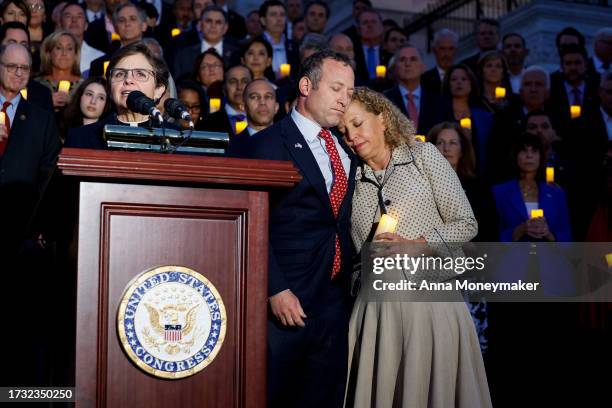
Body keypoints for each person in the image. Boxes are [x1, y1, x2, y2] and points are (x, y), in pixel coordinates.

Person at [340, 87, 491, 407]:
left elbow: (466, 224)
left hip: (431, 306)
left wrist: (418, 246)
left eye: (357, 123)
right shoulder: (352, 180)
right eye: (344, 131)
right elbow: (354, 260)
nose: (352, 136)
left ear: (381, 119)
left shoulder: (423, 155)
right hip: (378, 314)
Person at [228, 50, 356, 408]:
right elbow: (250, 221)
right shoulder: (264, 146)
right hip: (285, 302)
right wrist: (275, 288)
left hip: (336, 301)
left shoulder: (349, 147)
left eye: (349, 91)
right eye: (336, 88)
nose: (345, 98)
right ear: (305, 86)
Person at [65, 42, 177, 149]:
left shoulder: (179, 139)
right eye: (120, 74)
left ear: (158, 90)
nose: (128, 80)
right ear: (109, 88)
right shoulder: (80, 139)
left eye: (140, 74)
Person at [492, 133, 571, 242]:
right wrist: (521, 229)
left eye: (534, 151)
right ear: (515, 155)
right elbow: (491, 235)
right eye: (524, 150)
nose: (529, 155)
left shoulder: (556, 193)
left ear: (540, 157)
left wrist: (548, 234)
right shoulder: (499, 192)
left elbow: (567, 237)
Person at [384, 44, 453, 136]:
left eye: (413, 59)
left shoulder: (440, 102)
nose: (408, 64)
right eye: (402, 60)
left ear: (423, 67)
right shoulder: (384, 100)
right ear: (395, 68)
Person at [443, 64, 493, 173]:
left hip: (477, 172)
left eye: (464, 79)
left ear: (471, 84)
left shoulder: (484, 116)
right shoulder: (439, 112)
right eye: (454, 79)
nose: (459, 82)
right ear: (448, 84)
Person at [172, 4, 238, 80]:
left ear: (225, 28)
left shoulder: (236, 54)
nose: (213, 26)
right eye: (208, 21)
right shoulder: (183, 55)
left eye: (218, 22)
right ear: (200, 25)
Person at [34, 30, 83, 111]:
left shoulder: (84, 87)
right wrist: (46, 102)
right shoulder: (35, 84)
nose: (64, 53)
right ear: (49, 53)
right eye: (58, 48)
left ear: (75, 54)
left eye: (69, 48)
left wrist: (72, 103)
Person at [202, 64, 251, 136]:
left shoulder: (264, 118)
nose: (239, 87)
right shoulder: (208, 122)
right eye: (233, 82)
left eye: (245, 81)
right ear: (224, 88)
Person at [60, 1, 105, 79]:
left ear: (86, 25)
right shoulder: (51, 55)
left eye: (79, 16)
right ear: (60, 24)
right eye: (68, 16)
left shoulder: (99, 57)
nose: (74, 20)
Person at [422, 28, 458, 95]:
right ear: (434, 51)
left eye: (450, 49)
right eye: (442, 48)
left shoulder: (464, 78)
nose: (446, 54)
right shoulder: (423, 80)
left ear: (456, 51)